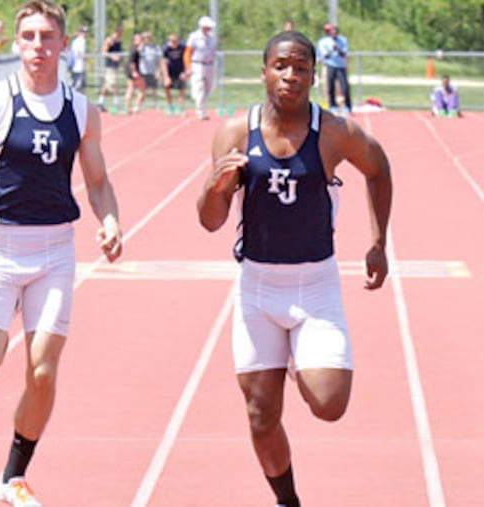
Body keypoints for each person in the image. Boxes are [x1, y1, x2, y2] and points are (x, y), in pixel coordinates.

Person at [0, 1, 123, 505]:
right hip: (0, 251)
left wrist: (112, 220)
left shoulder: (81, 111)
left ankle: (13, 476)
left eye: (47, 37)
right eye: (29, 37)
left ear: (62, 42)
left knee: (42, 371)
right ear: (17, 43)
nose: (38, 47)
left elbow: (98, 182)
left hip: (55, 251)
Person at [196, 30, 392, 506]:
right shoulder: (235, 133)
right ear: (263, 71)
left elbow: (379, 168)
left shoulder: (335, 132)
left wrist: (378, 243)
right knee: (262, 416)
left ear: (313, 75)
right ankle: (288, 501)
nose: (290, 75)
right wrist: (218, 186)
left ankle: (297, 356)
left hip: (315, 284)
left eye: (301, 67)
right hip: (258, 287)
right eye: (281, 66)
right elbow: (209, 221)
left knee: (328, 405)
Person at [184, 15, 217, 120]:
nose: (209, 29)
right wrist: (188, 67)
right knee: (199, 87)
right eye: (207, 27)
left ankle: (203, 107)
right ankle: (200, 111)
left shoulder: (212, 38)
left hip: (209, 65)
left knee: (208, 88)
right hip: (197, 64)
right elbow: (187, 53)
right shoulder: (194, 37)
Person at [318, 24, 352, 115]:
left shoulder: (343, 40)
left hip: (340, 66)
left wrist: (338, 49)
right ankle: (332, 106)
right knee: (330, 87)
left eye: (335, 32)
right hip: (330, 65)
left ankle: (348, 106)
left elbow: (345, 54)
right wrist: (331, 50)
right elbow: (325, 56)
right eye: (332, 32)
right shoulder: (323, 42)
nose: (334, 34)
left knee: (345, 87)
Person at [97, 25, 123, 113]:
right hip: (109, 66)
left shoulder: (119, 41)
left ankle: (100, 102)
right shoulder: (110, 40)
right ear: (117, 32)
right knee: (112, 84)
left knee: (107, 85)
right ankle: (117, 103)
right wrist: (112, 57)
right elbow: (104, 52)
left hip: (115, 66)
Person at [161, 32, 187, 115]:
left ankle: (181, 108)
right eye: (172, 41)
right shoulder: (166, 48)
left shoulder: (183, 47)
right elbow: (163, 62)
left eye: (175, 41)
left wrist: (185, 72)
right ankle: (170, 106)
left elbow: (186, 59)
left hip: (180, 70)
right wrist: (166, 76)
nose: (174, 43)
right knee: (167, 88)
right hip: (170, 71)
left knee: (181, 89)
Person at [123, 32, 145, 114]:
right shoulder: (134, 50)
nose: (141, 41)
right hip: (133, 71)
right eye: (139, 39)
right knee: (140, 89)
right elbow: (132, 62)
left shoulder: (136, 49)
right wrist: (134, 72)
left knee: (131, 89)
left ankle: (129, 107)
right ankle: (134, 107)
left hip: (132, 70)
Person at [68, 25, 88, 91]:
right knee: (78, 84)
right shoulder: (82, 41)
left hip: (74, 65)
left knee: (75, 82)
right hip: (79, 65)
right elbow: (81, 53)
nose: (85, 34)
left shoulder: (75, 41)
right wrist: (85, 58)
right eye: (84, 32)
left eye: (86, 32)